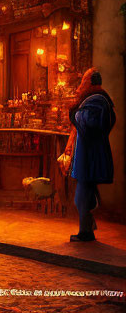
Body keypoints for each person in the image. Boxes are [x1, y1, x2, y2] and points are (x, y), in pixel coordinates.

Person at [68, 69, 116, 242]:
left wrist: (75, 113)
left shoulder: (96, 99)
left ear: (90, 83)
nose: (81, 84)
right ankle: (87, 229)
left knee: (82, 195)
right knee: (85, 194)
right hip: (90, 154)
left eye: (84, 81)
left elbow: (89, 122)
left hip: (89, 156)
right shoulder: (100, 99)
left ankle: (85, 232)